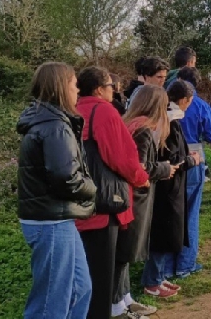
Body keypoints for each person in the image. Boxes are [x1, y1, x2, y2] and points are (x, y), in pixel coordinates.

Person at [17, 62, 97, 319]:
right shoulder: (54, 126)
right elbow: (65, 178)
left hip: (57, 218)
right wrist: (92, 189)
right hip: (49, 221)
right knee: (51, 302)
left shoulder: (51, 120)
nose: (77, 90)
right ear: (62, 87)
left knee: (80, 287)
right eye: (74, 85)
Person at [74, 67, 155, 319]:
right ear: (99, 89)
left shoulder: (72, 110)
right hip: (105, 203)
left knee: (84, 274)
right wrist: (142, 178)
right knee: (101, 275)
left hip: (78, 200)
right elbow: (121, 156)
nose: (114, 90)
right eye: (111, 86)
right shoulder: (103, 111)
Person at [113, 86, 178, 316]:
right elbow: (140, 167)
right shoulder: (143, 129)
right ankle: (117, 304)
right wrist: (165, 168)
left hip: (130, 195)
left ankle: (125, 297)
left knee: (125, 252)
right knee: (125, 251)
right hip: (136, 197)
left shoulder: (130, 123)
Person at [142, 81, 201, 298]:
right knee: (163, 232)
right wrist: (192, 160)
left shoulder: (166, 119)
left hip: (164, 183)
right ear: (185, 100)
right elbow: (173, 160)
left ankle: (157, 277)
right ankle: (152, 280)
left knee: (166, 231)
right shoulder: (171, 122)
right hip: (167, 185)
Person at [164, 66, 211, 279]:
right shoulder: (200, 104)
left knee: (169, 212)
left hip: (167, 159)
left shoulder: (163, 102)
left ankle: (167, 265)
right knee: (190, 213)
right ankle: (185, 264)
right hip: (193, 157)